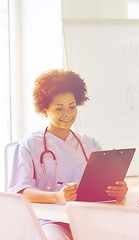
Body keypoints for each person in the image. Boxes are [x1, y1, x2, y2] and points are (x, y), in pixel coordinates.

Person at [8, 69, 128, 239]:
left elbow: (104, 181)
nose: (67, 114)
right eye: (59, 108)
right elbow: (20, 192)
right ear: (44, 111)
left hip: (88, 216)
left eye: (72, 106)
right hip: (50, 220)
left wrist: (117, 190)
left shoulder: (89, 142)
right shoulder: (29, 145)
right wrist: (56, 196)